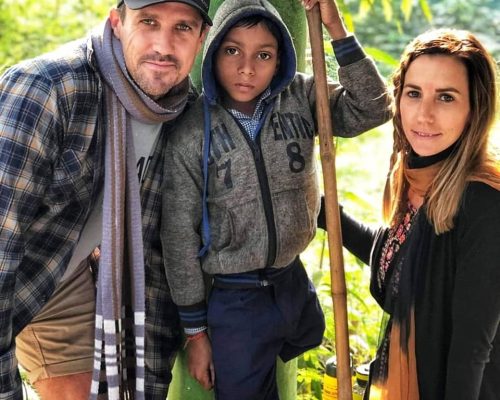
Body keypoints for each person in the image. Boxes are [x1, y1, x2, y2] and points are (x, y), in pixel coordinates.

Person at [160, 0, 391, 398]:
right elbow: (178, 235)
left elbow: (373, 108)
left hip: (292, 283)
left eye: (263, 55)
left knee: (303, 340)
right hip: (235, 298)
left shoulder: (301, 95)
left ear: (280, 58)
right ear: (212, 49)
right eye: (232, 51)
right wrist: (196, 333)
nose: (247, 68)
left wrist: (335, 28)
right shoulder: (191, 132)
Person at [0, 1, 211, 399]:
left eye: (182, 28)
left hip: (67, 269)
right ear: (117, 23)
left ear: (201, 39)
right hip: (16, 268)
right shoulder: (46, 91)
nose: (164, 46)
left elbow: (153, 256)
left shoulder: (179, 113)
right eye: (149, 22)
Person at [332, 29, 500, 399]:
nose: (424, 115)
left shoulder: (485, 203)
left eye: (446, 97)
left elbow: (472, 349)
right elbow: (397, 256)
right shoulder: (420, 180)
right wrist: (324, 210)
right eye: (414, 93)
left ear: (475, 108)